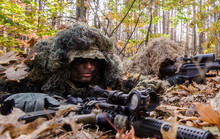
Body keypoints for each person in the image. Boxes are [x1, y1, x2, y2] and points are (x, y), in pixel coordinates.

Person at [0, 22, 164, 113]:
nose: (89, 66)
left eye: (94, 61)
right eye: (80, 61)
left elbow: (148, 83)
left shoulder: (104, 80)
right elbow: (5, 93)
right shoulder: (43, 79)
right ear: (65, 63)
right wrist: (47, 103)